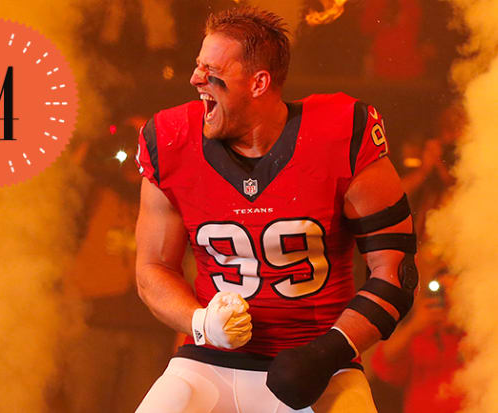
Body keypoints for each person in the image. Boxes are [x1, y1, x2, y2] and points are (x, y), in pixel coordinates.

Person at [134, 7, 417, 413]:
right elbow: (152, 270)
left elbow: (396, 272)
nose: (195, 78)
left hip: (317, 364)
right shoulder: (170, 139)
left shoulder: (342, 132)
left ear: (259, 82)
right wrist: (201, 323)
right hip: (209, 361)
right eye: (198, 65)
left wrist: (328, 352)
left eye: (211, 69)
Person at [371, 267, 464, 413]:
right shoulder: (420, 335)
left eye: (455, 294)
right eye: (442, 293)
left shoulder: (480, 336)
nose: (446, 300)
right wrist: (414, 325)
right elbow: (382, 361)